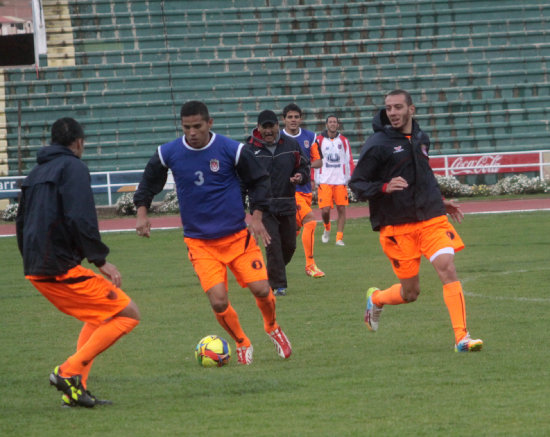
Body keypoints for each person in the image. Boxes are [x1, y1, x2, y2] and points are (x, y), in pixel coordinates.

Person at [133, 101, 291, 364]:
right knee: (218, 302)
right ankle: (241, 341)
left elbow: (259, 180)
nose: (192, 132)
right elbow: (149, 181)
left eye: (197, 126)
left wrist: (257, 216)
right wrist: (141, 213)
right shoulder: (168, 152)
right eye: (186, 127)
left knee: (262, 288)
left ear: (210, 123)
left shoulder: (232, 149)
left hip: (237, 237)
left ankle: (272, 327)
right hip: (200, 243)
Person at [16, 117, 141, 408]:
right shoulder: (73, 167)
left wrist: (31, 259)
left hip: (37, 266)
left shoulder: (35, 173)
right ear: (79, 142)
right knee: (128, 314)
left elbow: (21, 223)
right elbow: (80, 216)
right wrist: (100, 260)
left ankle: (76, 391)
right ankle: (67, 372)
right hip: (58, 267)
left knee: (99, 316)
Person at [349, 89, 483, 352]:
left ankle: (462, 338)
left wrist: (439, 201)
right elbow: (357, 184)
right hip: (397, 226)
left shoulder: (421, 137)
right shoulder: (377, 144)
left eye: (398, 107)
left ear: (412, 109)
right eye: (389, 108)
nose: (393, 113)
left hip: (431, 218)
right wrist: (385, 187)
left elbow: (423, 175)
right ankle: (376, 299)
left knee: (447, 267)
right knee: (410, 293)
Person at [243, 109, 311, 296]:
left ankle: (271, 272)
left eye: (271, 126)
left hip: (287, 203)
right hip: (263, 207)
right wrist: (240, 204)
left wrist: (301, 176)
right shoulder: (248, 149)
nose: (268, 131)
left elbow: (304, 166)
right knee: (272, 245)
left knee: (289, 246)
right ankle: (278, 286)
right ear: (258, 128)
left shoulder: (291, 144)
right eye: (264, 127)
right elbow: (241, 178)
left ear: (277, 126)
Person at [281, 103, 325, 278]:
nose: (293, 120)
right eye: (290, 117)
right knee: (311, 221)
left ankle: (274, 268)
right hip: (289, 192)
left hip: (305, 190)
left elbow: (319, 161)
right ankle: (310, 265)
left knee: (291, 235)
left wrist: (302, 167)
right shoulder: (278, 138)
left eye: (296, 117)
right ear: (284, 119)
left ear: (300, 119)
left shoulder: (310, 137)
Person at [314, 115, 355, 246]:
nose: (332, 124)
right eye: (330, 122)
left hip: (340, 180)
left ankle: (339, 238)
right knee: (325, 210)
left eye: (335, 122)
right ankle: (327, 227)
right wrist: (314, 178)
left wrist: (350, 177)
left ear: (338, 125)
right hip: (324, 180)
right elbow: (314, 159)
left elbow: (349, 159)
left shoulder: (343, 140)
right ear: (326, 124)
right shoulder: (319, 140)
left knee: (341, 209)